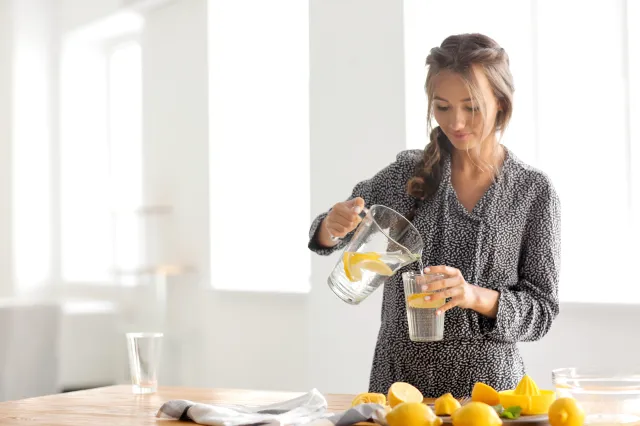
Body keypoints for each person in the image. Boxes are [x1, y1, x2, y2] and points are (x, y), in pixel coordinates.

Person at [307, 33, 561, 398]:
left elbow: (542, 311)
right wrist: (332, 227)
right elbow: (333, 234)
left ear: (501, 104)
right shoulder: (405, 174)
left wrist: (472, 295)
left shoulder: (533, 191)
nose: (456, 122)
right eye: (442, 107)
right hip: (398, 386)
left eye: (471, 107)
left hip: (488, 394)